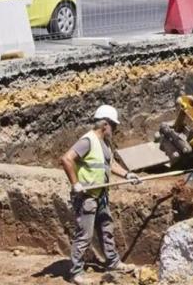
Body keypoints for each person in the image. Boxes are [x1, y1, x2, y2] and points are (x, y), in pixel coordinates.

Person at [60, 105, 140, 284]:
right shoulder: (87, 141)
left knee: (106, 230)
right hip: (87, 197)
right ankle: (76, 273)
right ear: (105, 124)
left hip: (101, 196)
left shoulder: (104, 144)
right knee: (85, 235)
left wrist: (128, 175)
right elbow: (66, 159)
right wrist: (76, 184)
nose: (115, 130)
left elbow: (110, 165)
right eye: (114, 126)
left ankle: (113, 262)